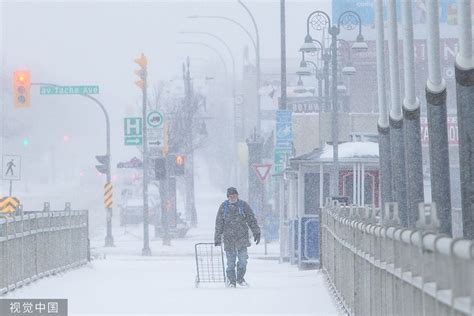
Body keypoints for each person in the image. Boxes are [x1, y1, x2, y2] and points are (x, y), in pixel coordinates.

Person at [214, 187, 261, 288]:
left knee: (243, 260)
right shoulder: (224, 207)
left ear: (237, 196)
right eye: (230, 196)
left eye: (234, 195)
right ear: (228, 197)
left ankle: (240, 278)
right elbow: (219, 223)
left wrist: (256, 231)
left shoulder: (243, 206)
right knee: (231, 262)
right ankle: (231, 281)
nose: (233, 197)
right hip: (228, 239)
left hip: (242, 239)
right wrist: (217, 237)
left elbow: (251, 219)